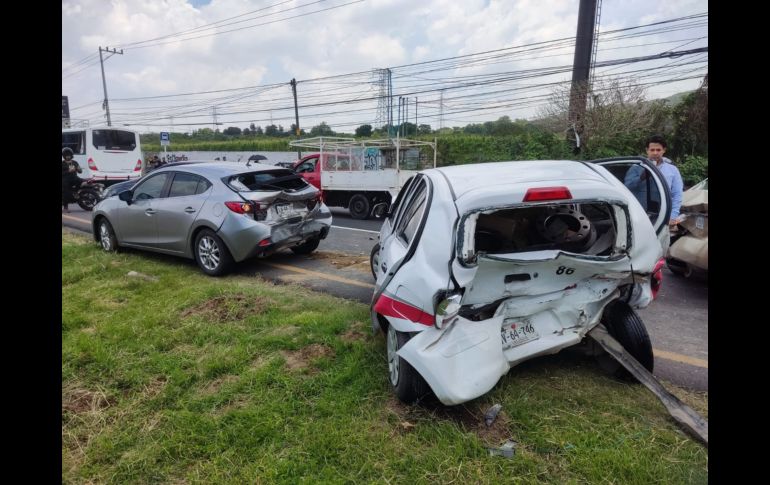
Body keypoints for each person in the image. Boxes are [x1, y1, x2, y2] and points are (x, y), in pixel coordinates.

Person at [624, 135, 683, 226]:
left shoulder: (672, 170)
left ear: (664, 150)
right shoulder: (636, 167)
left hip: (663, 215)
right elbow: (626, 188)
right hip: (639, 215)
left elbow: (677, 194)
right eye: (652, 150)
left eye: (658, 150)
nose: (655, 153)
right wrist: (641, 178)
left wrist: (672, 216)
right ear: (647, 150)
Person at [61, 147, 84, 213]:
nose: (68, 156)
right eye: (66, 155)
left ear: (71, 155)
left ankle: (76, 193)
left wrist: (79, 169)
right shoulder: (62, 164)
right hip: (65, 180)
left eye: (69, 155)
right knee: (65, 191)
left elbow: (80, 171)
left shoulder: (75, 162)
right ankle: (65, 207)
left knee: (84, 182)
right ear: (64, 156)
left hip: (75, 178)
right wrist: (68, 171)